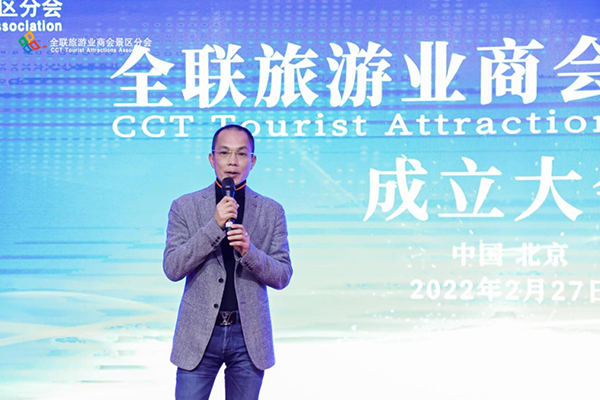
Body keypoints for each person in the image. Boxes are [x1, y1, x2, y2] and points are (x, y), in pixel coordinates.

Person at [163, 124, 293, 400]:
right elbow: (173, 268)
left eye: (241, 154)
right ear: (212, 159)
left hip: (248, 336)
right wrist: (214, 226)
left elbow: (282, 275)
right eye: (224, 153)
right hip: (198, 334)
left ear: (252, 161)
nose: (232, 161)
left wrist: (249, 251)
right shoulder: (185, 206)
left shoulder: (271, 211)